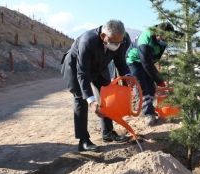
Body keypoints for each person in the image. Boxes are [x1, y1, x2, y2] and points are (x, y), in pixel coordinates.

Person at [61, 20, 132, 151]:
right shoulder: (87, 41)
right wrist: (91, 101)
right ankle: (83, 140)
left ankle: (108, 132)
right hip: (76, 67)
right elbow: (82, 73)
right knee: (81, 99)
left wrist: (129, 79)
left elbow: (121, 62)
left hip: (99, 66)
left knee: (107, 94)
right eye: (114, 42)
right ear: (103, 36)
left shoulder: (123, 39)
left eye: (119, 42)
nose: (117, 45)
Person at [126, 22, 175, 126]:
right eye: (163, 38)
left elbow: (151, 62)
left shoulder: (165, 36)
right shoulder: (145, 39)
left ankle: (150, 109)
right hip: (134, 60)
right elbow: (146, 64)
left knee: (151, 87)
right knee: (143, 87)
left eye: (167, 39)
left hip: (148, 61)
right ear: (157, 34)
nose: (165, 41)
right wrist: (160, 80)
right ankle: (148, 114)